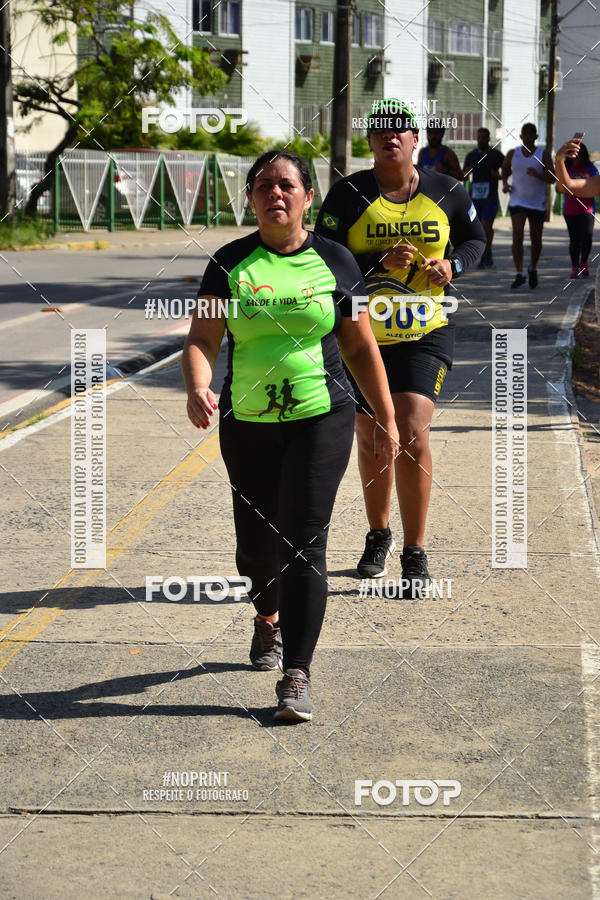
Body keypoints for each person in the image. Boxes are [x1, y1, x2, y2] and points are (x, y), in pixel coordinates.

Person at [182, 150, 399, 722]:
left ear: (307, 197)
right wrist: (198, 386)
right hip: (247, 423)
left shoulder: (336, 262)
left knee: (304, 542)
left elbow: (359, 345)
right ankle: (266, 617)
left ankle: (296, 673)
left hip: (321, 418)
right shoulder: (228, 264)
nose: (275, 194)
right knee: (258, 546)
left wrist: (385, 414)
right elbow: (202, 340)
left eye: (287, 185)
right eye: (263, 186)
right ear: (251, 199)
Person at [315, 100, 485, 596]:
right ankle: (379, 534)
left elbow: (475, 239)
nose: (391, 137)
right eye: (381, 131)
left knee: (411, 431)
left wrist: (453, 266)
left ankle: (415, 549)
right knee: (371, 439)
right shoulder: (347, 194)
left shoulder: (448, 189)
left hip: (425, 330)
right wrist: (375, 262)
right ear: (370, 141)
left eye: (401, 130)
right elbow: (322, 260)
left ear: (415, 140)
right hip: (362, 332)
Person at [501, 122, 555, 289]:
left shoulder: (542, 154)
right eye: (525, 134)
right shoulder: (513, 153)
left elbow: (552, 178)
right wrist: (504, 183)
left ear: (536, 137)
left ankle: (532, 268)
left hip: (536, 202)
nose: (528, 137)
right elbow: (505, 169)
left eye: (531, 134)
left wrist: (538, 174)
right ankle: (519, 273)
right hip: (517, 200)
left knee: (536, 239)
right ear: (521, 136)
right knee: (517, 236)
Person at [555, 140, 598, 278]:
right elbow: (560, 187)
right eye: (574, 155)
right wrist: (559, 159)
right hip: (570, 210)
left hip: (587, 209)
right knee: (575, 240)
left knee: (587, 237)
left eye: (580, 155)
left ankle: (583, 264)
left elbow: (594, 186)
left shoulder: (591, 169)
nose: (577, 158)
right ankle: (575, 267)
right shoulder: (566, 169)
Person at [463, 127, 504, 268]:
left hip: (490, 197)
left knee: (487, 226)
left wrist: (498, 176)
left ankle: (486, 254)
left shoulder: (496, 155)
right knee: (479, 228)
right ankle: (487, 253)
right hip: (475, 198)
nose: (481, 139)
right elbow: (463, 176)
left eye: (484, 137)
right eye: (479, 137)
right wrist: (466, 173)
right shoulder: (471, 156)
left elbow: (507, 171)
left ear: (488, 139)